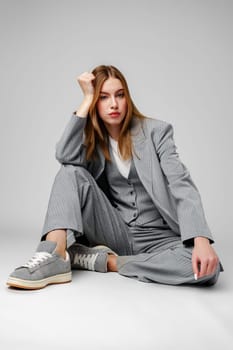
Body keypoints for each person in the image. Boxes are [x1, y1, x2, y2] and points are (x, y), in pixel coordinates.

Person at [7, 65, 223, 290]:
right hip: (115, 231)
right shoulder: (94, 141)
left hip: (160, 238)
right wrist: (86, 99)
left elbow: (181, 183)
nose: (114, 104)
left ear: (127, 98)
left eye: (120, 95)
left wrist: (200, 239)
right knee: (70, 171)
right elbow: (65, 156)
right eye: (103, 97)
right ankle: (54, 256)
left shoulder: (156, 132)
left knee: (207, 270)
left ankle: (104, 261)